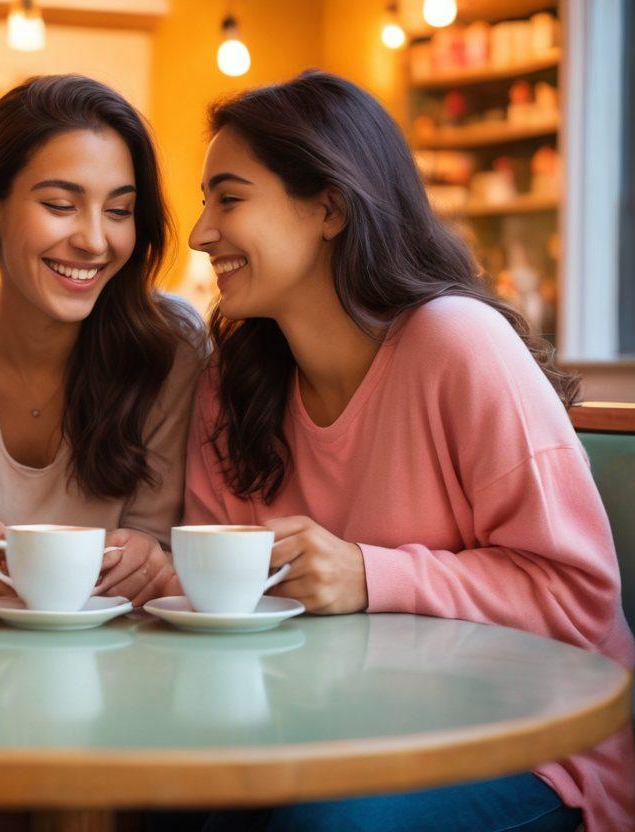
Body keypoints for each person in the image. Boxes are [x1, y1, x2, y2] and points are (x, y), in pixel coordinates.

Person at [181, 71, 633, 832]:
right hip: (317, 734)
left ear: (328, 206)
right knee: (170, 803)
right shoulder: (232, 386)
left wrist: (371, 574)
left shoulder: (455, 344)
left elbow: (576, 595)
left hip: (521, 747)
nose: (200, 233)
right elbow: (216, 591)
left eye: (228, 198)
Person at [0, 75, 206, 607]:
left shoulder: (170, 349)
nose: (95, 241)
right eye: (60, 204)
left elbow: (165, 550)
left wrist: (151, 559)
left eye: (119, 211)